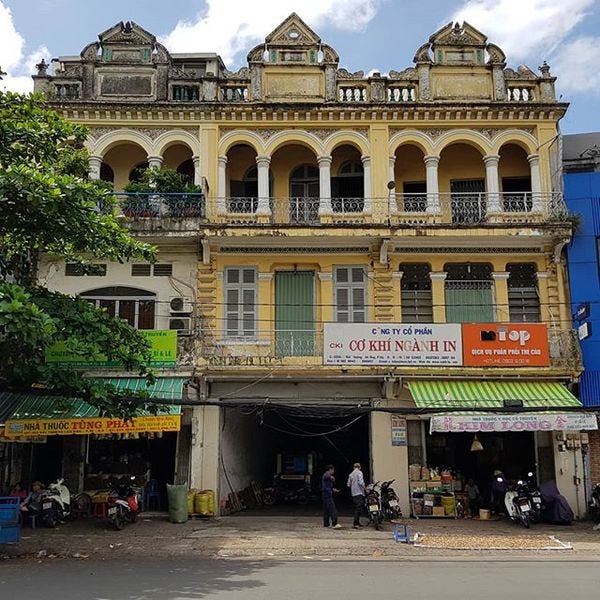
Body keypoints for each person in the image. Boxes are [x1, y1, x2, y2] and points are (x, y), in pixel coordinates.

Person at [347, 462, 365, 528]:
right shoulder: (360, 473)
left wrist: (353, 485)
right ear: (359, 467)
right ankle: (356, 523)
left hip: (354, 493)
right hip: (359, 492)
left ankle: (357, 522)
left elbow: (348, 484)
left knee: (357, 507)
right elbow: (361, 482)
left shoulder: (351, 474)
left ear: (353, 467)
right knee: (358, 508)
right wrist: (365, 488)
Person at [322, 464, 341, 529]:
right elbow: (327, 476)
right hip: (327, 495)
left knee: (326, 510)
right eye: (333, 470)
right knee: (333, 509)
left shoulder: (326, 476)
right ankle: (334, 523)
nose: (333, 471)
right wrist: (331, 477)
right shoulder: (326, 475)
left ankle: (326, 524)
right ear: (330, 469)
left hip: (325, 494)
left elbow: (328, 486)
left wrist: (334, 490)